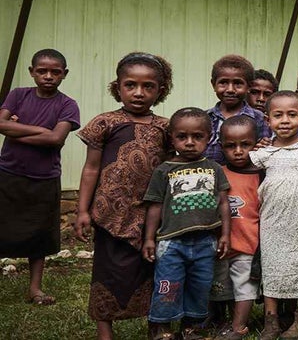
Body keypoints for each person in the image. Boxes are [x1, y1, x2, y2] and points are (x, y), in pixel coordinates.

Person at [75, 53, 173, 340]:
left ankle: (156, 327)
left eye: (148, 87)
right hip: (109, 215)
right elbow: (91, 168)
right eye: (130, 85)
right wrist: (82, 210)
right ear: (117, 87)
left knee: (152, 269)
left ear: (160, 90)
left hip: (149, 215)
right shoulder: (104, 123)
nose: (139, 93)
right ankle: (105, 331)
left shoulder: (166, 128)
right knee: (106, 271)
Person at [0, 48, 80, 306]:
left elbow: (56, 138)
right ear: (32, 72)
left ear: (64, 74)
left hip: (44, 178)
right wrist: (40, 130)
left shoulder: (67, 104)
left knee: (39, 235)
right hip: (8, 174)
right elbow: (1, 124)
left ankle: (35, 289)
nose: (48, 76)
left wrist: (15, 131)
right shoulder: (18, 95)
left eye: (55, 72)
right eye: (42, 71)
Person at [143, 108, 231, 340]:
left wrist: (225, 235)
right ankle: (160, 326)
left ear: (209, 137)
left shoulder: (214, 169)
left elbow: (223, 204)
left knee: (200, 285)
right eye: (182, 137)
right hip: (172, 242)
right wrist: (149, 238)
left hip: (205, 241)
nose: (190, 143)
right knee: (167, 285)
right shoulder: (164, 170)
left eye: (197, 137)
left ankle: (192, 326)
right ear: (172, 138)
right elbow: (155, 206)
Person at [251, 91, 298, 339]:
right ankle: (271, 321)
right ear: (267, 119)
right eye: (278, 115)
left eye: (292, 115)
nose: (285, 120)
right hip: (272, 221)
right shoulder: (262, 153)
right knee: (271, 265)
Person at [210, 115, 265, 340]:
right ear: (221, 146)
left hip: (248, 246)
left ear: (257, 143)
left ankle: (238, 327)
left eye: (246, 144)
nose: (239, 151)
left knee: (244, 287)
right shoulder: (216, 172)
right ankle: (218, 320)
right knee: (217, 286)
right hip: (219, 246)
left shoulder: (262, 175)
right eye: (231, 146)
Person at [205, 55, 270, 165]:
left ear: (249, 86)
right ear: (213, 84)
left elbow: (265, 152)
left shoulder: (259, 118)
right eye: (223, 82)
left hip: (246, 178)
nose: (230, 89)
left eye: (238, 83)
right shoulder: (204, 119)